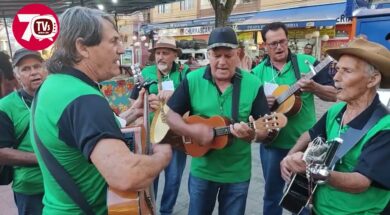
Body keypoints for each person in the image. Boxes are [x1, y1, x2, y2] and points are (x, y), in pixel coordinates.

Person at [31, 7, 171, 214]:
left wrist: (133, 113)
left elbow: (78, 132)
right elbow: (127, 175)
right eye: (113, 41)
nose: (122, 49)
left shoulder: (54, 85)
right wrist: (163, 156)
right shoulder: (83, 99)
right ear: (82, 47)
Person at [166, 26, 270, 215]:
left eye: (228, 55)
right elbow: (170, 115)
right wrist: (192, 131)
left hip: (238, 174)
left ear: (238, 55)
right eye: (216, 55)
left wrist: (253, 134)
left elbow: (265, 128)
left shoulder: (253, 83)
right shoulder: (192, 79)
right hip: (202, 172)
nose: (222, 62)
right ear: (209, 55)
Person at [280, 38, 390, 214]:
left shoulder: (385, 126)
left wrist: (313, 171)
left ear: (372, 79)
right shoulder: (337, 110)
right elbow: (310, 134)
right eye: (337, 69)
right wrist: (289, 157)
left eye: (346, 71)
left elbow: (361, 182)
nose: (336, 78)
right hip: (318, 208)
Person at [251, 22, 337, 215]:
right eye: (273, 44)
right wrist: (261, 102)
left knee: (304, 196)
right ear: (265, 45)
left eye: (282, 41)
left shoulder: (308, 62)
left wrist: (316, 88)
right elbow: (247, 108)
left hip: (305, 146)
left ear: (287, 40)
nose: (279, 47)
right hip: (272, 143)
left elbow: (335, 95)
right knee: (272, 195)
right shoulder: (256, 73)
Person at [130, 36, 190, 215]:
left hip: (176, 134)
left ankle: (166, 211)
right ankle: (150, 209)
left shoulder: (184, 72)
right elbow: (133, 101)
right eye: (158, 53)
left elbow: (193, 101)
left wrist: (176, 95)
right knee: (150, 176)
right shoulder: (145, 73)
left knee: (173, 179)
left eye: (165, 53)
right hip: (151, 134)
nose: (161, 57)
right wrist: (145, 105)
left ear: (174, 55)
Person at [0, 49, 46, 214]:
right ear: (16, 75)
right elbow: (2, 153)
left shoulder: (57, 97)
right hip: (31, 189)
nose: (33, 72)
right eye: (25, 69)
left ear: (44, 69)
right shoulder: (5, 106)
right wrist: (44, 158)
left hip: (65, 184)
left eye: (37, 66)